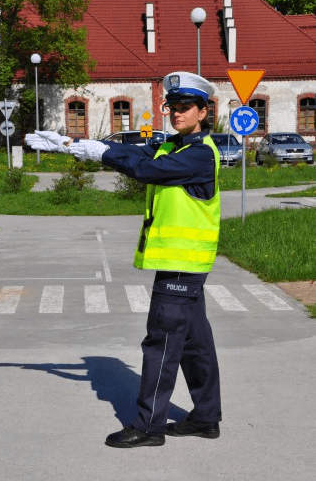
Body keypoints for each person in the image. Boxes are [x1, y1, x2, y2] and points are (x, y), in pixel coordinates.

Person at [26, 71, 222, 448]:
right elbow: (135, 153)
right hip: (183, 265)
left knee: (161, 344)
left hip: (182, 266)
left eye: (185, 108)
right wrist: (74, 143)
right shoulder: (175, 147)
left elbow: (147, 169)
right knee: (195, 344)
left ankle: (149, 427)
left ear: (203, 111)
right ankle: (205, 417)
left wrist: (99, 152)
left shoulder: (198, 154)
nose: (176, 113)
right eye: (172, 107)